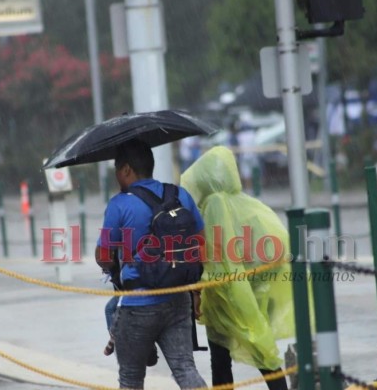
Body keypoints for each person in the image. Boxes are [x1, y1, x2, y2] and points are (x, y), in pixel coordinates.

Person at [95, 139, 208, 390]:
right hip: (178, 298)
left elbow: (103, 255)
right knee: (185, 369)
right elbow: (200, 246)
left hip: (138, 306)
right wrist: (195, 291)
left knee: (131, 379)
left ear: (126, 170)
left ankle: (145, 351)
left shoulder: (120, 204)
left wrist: (112, 264)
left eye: (117, 170)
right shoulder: (180, 195)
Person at [181, 146, 294, 390]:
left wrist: (199, 291)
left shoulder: (214, 205)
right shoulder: (247, 204)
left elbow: (217, 257)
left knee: (224, 359)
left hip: (228, 295)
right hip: (252, 290)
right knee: (262, 349)